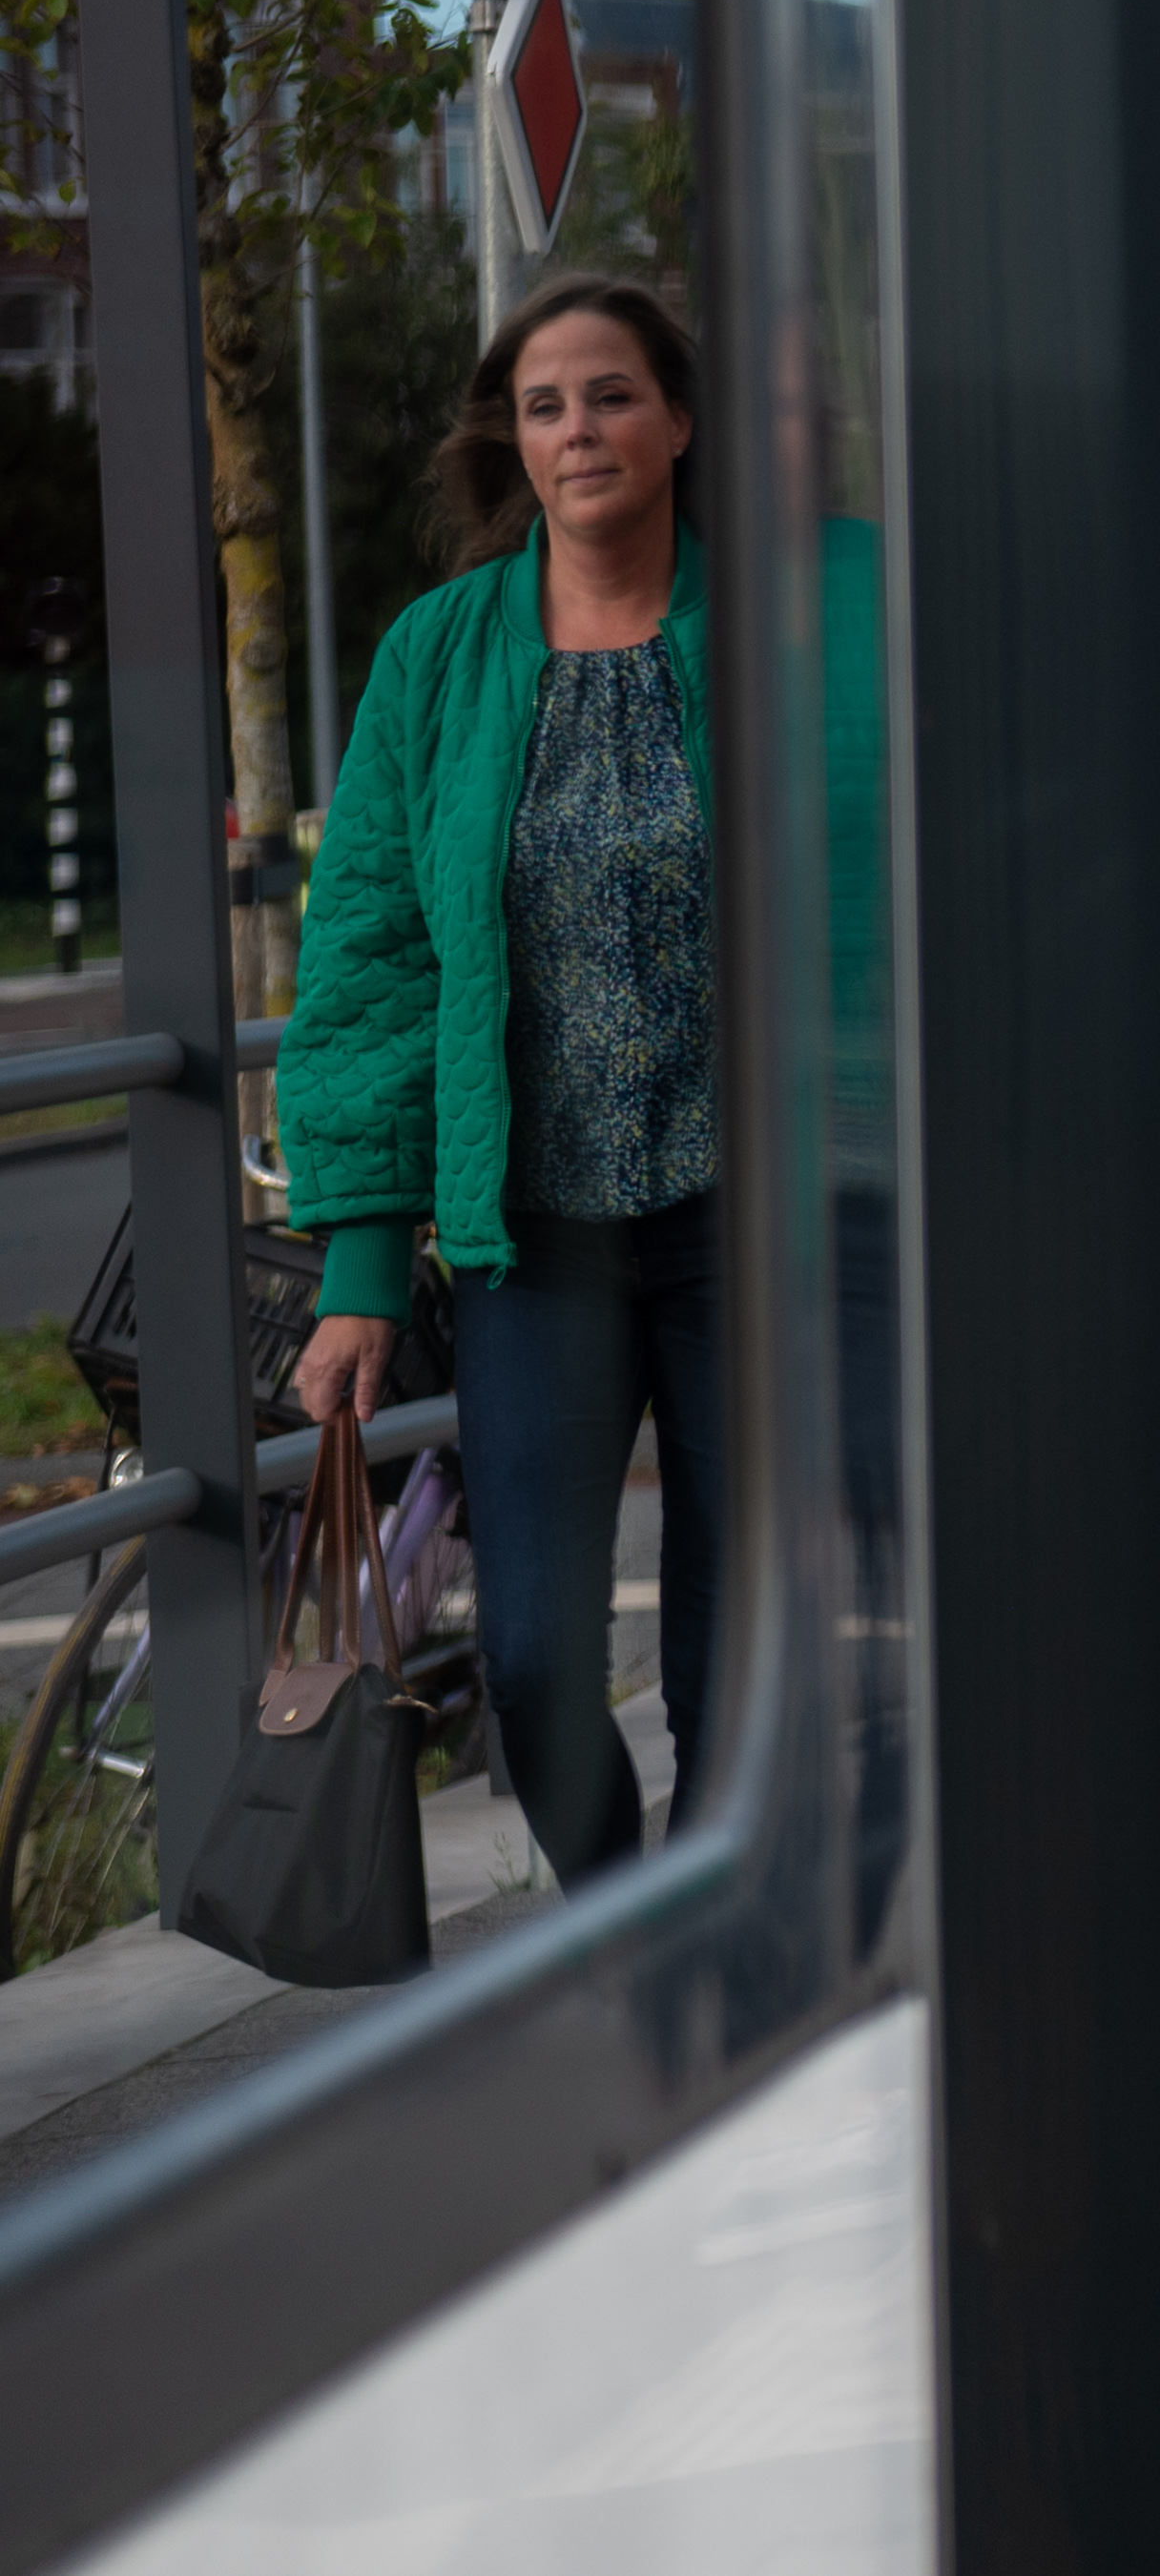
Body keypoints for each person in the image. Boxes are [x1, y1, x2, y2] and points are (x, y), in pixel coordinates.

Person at [291, 276, 721, 1894]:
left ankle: (706, 1961)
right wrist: (360, 1268)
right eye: (546, 405)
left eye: (611, 395)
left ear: (677, 421)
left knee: (737, 1662)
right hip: (533, 1240)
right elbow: (373, 960)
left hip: (747, 1228)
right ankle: (622, 1914)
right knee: (534, 1660)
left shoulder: (770, 629)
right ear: (515, 444)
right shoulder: (438, 657)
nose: (579, 430)